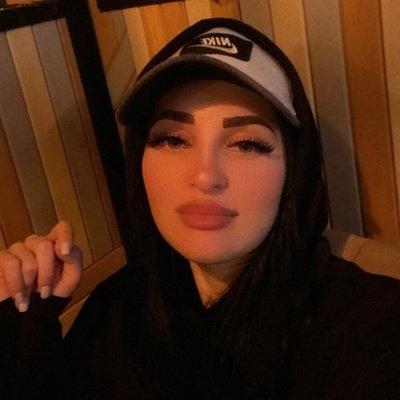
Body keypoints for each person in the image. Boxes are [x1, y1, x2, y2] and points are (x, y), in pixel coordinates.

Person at [1, 17, 400, 400]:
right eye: (173, 140)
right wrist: (24, 324)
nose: (206, 176)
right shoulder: (115, 312)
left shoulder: (369, 324)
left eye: (247, 144)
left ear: (295, 173)